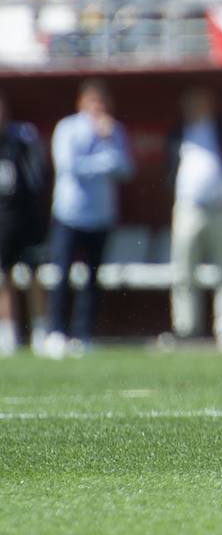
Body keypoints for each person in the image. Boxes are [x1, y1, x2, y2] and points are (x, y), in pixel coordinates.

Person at [44, 80, 133, 359]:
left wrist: (107, 142)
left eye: (102, 103)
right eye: (93, 102)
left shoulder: (114, 130)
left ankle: (84, 334)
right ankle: (55, 332)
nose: (98, 109)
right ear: (81, 103)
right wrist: (105, 161)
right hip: (69, 213)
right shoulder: (67, 128)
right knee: (61, 276)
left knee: (93, 279)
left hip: (101, 216)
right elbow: (70, 167)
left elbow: (126, 168)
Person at [167, 87, 222, 352]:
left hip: (221, 208)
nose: (192, 108)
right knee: (183, 272)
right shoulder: (178, 131)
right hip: (188, 209)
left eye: (197, 102)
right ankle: (185, 329)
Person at [0, 92, 48, 356]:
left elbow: (37, 175)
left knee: (34, 276)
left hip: (27, 219)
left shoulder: (22, 138)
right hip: (2, 222)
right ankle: (8, 334)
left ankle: (41, 331)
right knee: (2, 278)